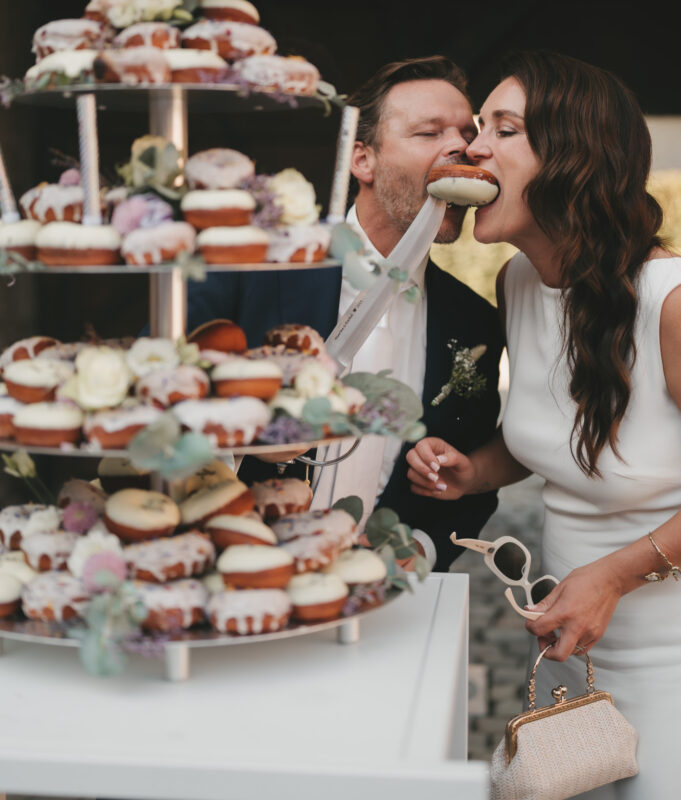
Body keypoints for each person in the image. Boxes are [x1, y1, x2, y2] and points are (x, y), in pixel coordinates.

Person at [406, 49, 681, 797]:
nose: (472, 148)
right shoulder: (519, 279)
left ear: (572, 159)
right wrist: (476, 469)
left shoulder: (669, 301)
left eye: (503, 128)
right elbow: (554, 444)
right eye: (476, 128)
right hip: (567, 655)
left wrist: (614, 578)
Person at [187, 55, 504, 570]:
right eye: (429, 132)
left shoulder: (476, 321)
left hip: (380, 609)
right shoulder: (249, 265)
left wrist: (418, 550)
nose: (461, 149)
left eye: (467, 134)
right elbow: (156, 412)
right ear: (363, 160)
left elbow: (473, 481)